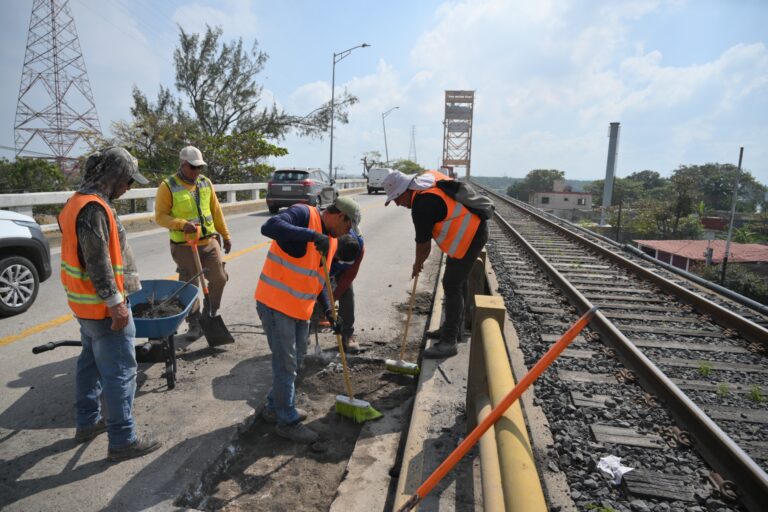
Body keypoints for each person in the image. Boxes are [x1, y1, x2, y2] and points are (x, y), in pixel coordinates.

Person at [58, 147, 161, 462]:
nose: (129, 187)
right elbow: (98, 264)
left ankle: (87, 422)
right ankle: (122, 439)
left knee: (89, 364)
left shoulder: (76, 203)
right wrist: (117, 305)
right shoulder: (94, 209)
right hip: (104, 308)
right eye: (128, 181)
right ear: (114, 177)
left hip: (84, 305)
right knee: (120, 373)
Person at [255, 197, 361, 444]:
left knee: (297, 359)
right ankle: (287, 422)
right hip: (275, 304)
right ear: (340, 216)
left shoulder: (332, 241)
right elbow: (269, 227)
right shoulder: (304, 214)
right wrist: (312, 236)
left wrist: (328, 311)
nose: (348, 232)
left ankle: (274, 407)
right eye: (348, 226)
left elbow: (319, 279)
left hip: (300, 309)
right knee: (286, 363)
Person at [382, 169, 488, 358]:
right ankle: (454, 330)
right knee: (457, 282)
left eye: (397, 198)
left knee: (451, 283)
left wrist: (417, 265)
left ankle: (449, 342)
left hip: (471, 234)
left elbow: (423, 247)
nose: (398, 204)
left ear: (406, 191)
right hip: (472, 229)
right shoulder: (428, 179)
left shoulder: (422, 204)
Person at [154, 146, 232, 341]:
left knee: (219, 278)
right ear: (182, 164)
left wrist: (226, 235)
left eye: (199, 167)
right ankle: (195, 321)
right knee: (190, 284)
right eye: (193, 167)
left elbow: (215, 211)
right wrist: (181, 224)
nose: (197, 171)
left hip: (208, 241)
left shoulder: (205, 183)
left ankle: (210, 312)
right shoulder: (168, 186)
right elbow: (160, 216)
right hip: (184, 246)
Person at [328, 231, 364, 353]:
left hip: (342, 272)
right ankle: (302, 335)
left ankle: (347, 333)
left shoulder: (359, 248)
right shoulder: (324, 240)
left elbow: (347, 279)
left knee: (347, 293)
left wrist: (332, 299)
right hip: (320, 265)